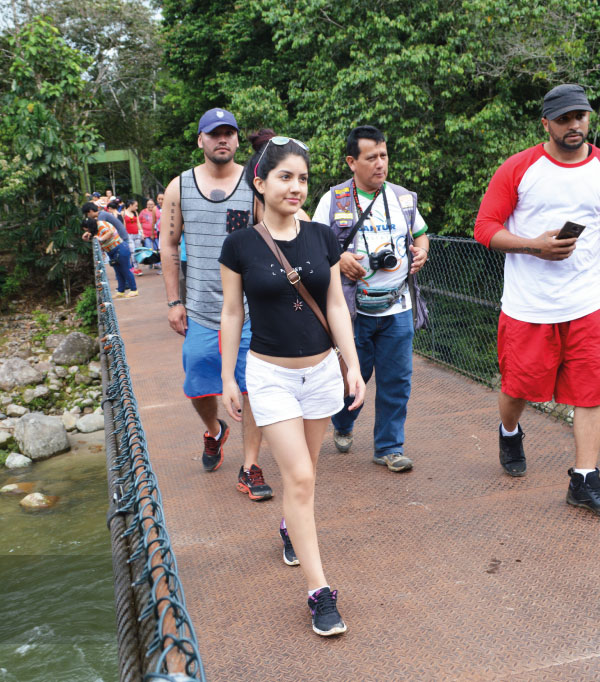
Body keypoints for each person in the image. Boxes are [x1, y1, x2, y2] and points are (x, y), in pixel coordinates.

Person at [473, 83, 600, 520]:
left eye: (581, 117)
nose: (575, 126)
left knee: (592, 392)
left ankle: (584, 480)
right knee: (517, 389)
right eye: (565, 119)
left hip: (588, 303)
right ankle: (509, 431)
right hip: (528, 306)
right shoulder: (519, 168)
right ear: (546, 123)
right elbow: (484, 228)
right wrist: (534, 246)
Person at [220, 135, 364, 637]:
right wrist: (227, 377)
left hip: (322, 371)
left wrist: (351, 364)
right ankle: (319, 592)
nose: (296, 186)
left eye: (303, 178)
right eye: (285, 177)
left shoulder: (323, 237)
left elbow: (337, 306)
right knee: (299, 479)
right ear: (259, 182)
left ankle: (288, 526)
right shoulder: (239, 244)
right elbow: (232, 312)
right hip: (270, 375)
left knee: (307, 477)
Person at [159, 108, 271, 501]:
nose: (222, 139)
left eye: (229, 133)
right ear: (201, 140)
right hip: (203, 311)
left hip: (252, 313)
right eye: (214, 134)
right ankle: (214, 431)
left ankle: (250, 465)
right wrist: (174, 301)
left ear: (238, 140)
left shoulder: (254, 185)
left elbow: (281, 228)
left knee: (252, 387)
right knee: (198, 386)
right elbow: (168, 245)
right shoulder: (180, 186)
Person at [312, 125, 430, 473]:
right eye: (371, 158)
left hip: (398, 306)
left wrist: (421, 253)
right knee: (353, 378)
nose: (380, 164)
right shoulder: (333, 200)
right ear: (352, 161)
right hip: (353, 311)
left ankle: (389, 448)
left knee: (397, 380)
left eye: (384, 156)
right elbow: (314, 246)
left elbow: (421, 235)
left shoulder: (402, 197)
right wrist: (339, 259)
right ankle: (343, 423)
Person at [81, 202, 138, 298]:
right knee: (118, 271)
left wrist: (100, 239)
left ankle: (134, 289)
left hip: (120, 248)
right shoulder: (97, 225)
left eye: (87, 230)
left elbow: (109, 232)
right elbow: (97, 235)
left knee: (125, 269)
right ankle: (121, 290)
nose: (87, 232)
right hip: (112, 251)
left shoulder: (101, 223)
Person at [123, 199, 144, 275]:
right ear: (130, 205)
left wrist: (141, 232)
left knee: (137, 250)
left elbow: (138, 223)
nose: (137, 207)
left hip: (137, 234)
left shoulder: (135, 213)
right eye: (135, 206)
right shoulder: (123, 213)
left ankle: (135, 266)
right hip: (129, 235)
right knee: (132, 251)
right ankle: (135, 268)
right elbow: (123, 225)